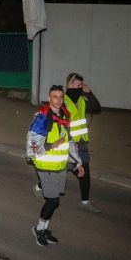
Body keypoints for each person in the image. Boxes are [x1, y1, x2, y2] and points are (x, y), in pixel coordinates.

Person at [26, 85, 84, 247]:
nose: (58, 100)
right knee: (53, 201)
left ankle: (44, 229)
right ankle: (38, 229)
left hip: (59, 165)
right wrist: (50, 146)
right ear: (49, 98)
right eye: (54, 97)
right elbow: (32, 144)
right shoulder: (43, 117)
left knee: (55, 201)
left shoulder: (65, 115)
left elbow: (70, 142)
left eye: (60, 97)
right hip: (45, 165)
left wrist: (78, 162)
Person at [63, 72, 102, 213]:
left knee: (84, 171)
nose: (80, 88)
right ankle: (41, 187)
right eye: (77, 85)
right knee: (58, 170)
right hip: (67, 144)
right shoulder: (63, 101)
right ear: (69, 85)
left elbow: (97, 108)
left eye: (81, 85)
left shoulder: (81, 101)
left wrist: (89, 93)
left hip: (81, 144)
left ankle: (85, 202)